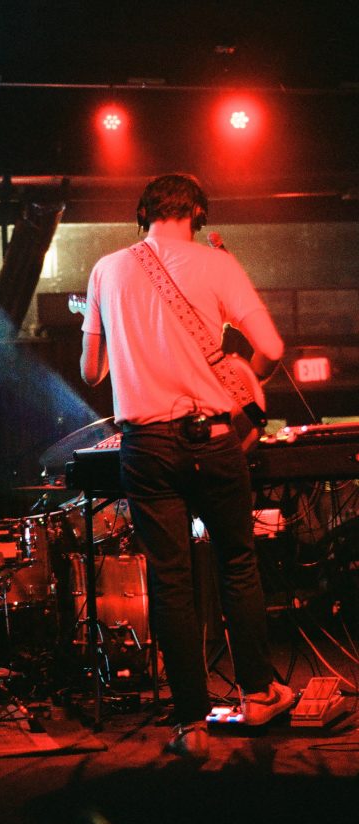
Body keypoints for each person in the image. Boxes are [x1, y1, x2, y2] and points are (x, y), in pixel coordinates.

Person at [79, 173, 294, 761]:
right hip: (214, 438)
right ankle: (258, 695)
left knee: (171, 579)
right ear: (198, 213)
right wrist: (246, 377)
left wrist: (121, 333)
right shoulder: (218, 264)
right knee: (237, 564)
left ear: (141, 214)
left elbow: (91, 372)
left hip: (146, 445)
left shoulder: (106, 270)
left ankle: (191, 726)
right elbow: (273, 348)